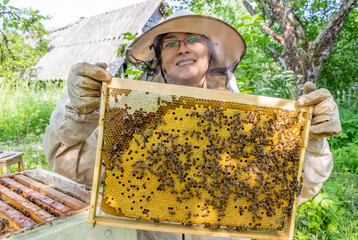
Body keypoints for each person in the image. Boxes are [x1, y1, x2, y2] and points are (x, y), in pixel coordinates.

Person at [43, 10, 341, 240]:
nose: (183, 48)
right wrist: (77, 109)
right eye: (171, 43)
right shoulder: (131, 118)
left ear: (211, 53)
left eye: (194, 39)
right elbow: (70, 161)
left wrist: (313, 142)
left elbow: (298, 188)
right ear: (159, 59)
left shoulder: (251, 121)